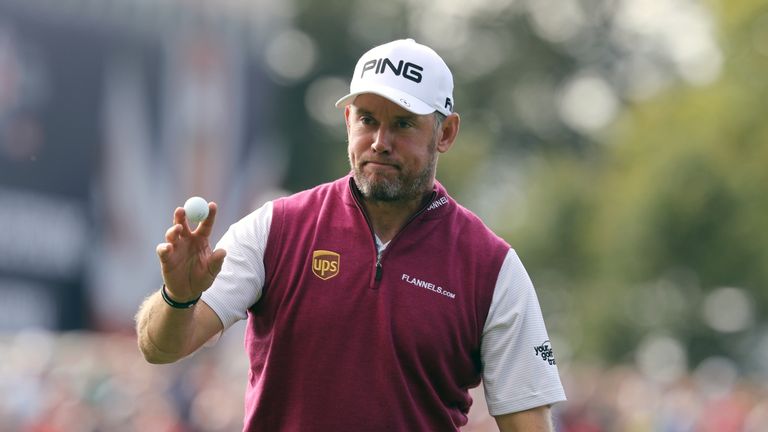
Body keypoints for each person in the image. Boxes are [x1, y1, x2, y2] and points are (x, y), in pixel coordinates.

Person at [136, 38, 566, 431]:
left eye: (402, 124)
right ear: (347, 121)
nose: (380, 141)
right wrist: (177, 297)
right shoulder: (275, 228)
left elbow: (526, 422)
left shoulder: (491, 267)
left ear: (446, 133)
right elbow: (161, 348)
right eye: (367, 120)